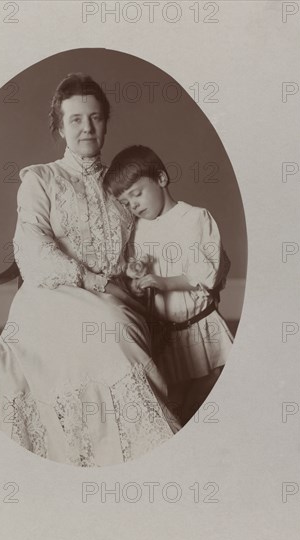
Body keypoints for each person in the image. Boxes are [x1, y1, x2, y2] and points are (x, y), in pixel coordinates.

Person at [0, 75, 177, 467]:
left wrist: (135, 267)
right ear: (59, 126)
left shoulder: (120, 183)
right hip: (51, 295)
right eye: (75, 119)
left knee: (114, 319)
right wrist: (95, 281)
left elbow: (137, 244)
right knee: (109, 326)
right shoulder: (40, 179)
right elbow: (31, 245)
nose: (87, 128)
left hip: (114, 293)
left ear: (106, 122)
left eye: (95, 118)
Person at [103, 145, 234, 424]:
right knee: (174, 400)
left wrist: (164, 281)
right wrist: (137, 278)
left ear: (161, 179)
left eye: (137, 194)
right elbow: (141, 282)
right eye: (126, 202)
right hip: (166, 334)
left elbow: (204, 274)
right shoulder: (139, 229)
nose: (134, 205)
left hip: (198, 325)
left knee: (209, 385)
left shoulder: (194, 218)